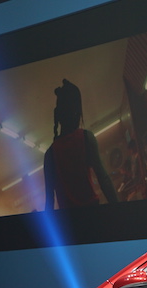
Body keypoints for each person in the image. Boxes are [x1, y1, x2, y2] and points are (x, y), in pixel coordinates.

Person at [43, 79, 117, 211]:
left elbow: (49, 201)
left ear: (58, 115)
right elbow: (103, 179)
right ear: (77, 112)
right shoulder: (86, 138)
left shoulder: (50, 154)